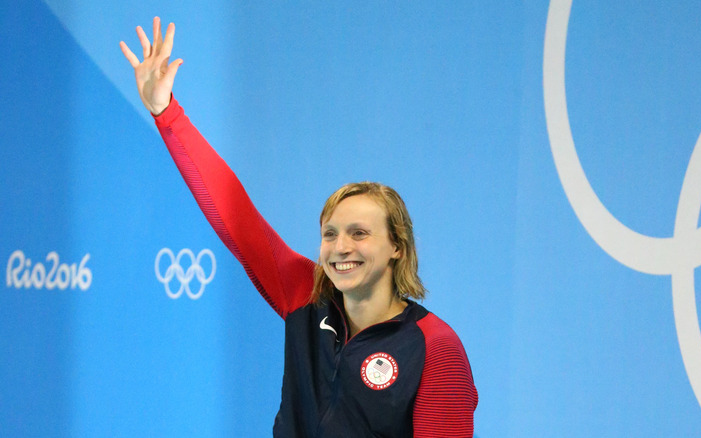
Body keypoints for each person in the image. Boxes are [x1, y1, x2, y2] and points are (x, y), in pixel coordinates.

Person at [121, 17, 478, 437]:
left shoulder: (435, 346)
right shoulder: (303, 296)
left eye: (359, 233)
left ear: (397, 245)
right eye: (330, 234)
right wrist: (166, 112)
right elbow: (236, 215)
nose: (340, 247)